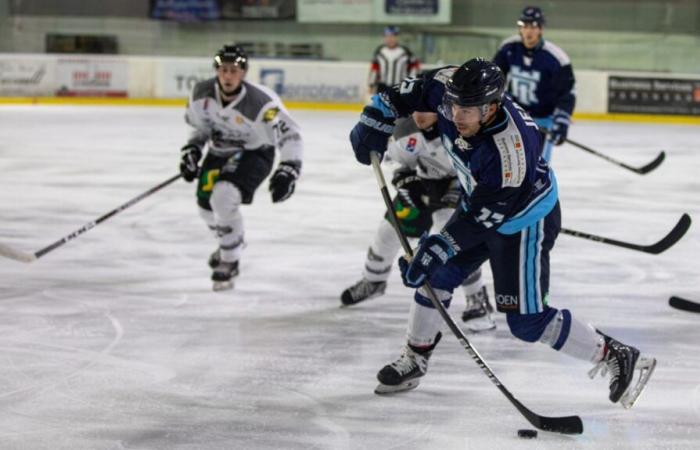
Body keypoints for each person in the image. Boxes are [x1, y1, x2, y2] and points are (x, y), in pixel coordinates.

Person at [348, 58, 655, 408]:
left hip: (523, 221)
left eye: (467, 111)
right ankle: (415, 358)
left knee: (526, 323)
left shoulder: (512, 150)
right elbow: (405, 94)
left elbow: (482, 217)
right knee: (435, 278)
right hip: (478, 202)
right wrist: (375, 115)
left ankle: (614, 354)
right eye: (452, 106)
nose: (456, 116)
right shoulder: (450, 89)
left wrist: (440, 245)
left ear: (491, 107)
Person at [341, 111, 495, 331]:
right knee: (389, 231)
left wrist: (460, 188)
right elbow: (394, 161)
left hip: (460, 188)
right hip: (422, 186)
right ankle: (373, 280)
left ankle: (477, 299)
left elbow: (480, 165)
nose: (419, 115)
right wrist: (407, 183)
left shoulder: (459, 127)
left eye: (426, 110)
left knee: (455, 242)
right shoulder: (405, 128)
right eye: (416, 109)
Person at [180, 44, 304, 291]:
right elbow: (200, 129)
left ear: (244, 73)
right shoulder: (201, 94)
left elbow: (290, 135)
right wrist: (192, 149)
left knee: (223, 198)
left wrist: (289, 168)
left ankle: (229, 260)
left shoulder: (261, 103)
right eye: (224, 70)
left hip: (254, 153)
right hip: (218, 154)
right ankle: (231, 240)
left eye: (234, 70)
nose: (228, 76)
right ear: (217, 71)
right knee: (205, 207)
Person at [493, 6, 575, 162]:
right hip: (514, 116)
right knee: (508, 161)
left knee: (537, 165)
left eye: (533, 26)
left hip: (543, 119)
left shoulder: (556, 57)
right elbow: (494, 78)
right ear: (520, 28)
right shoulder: (508, 48)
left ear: (541, 29)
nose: (528, 31)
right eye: (524, 26)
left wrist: (562, 121)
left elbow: (567, 91)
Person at [368, 26, 420, 95]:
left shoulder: (405, 52)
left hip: (400, 87)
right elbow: (375, 69)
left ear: (397, 37)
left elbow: (414, 68)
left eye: (393, 36)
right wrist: (371, 84)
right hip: (382, 87)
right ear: (385, 38)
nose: (390, 39)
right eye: (388, 36)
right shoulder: (380, 51)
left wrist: (412, 84)